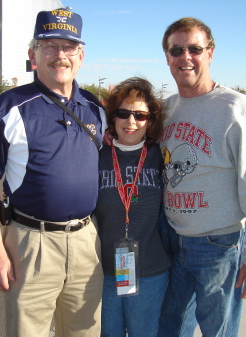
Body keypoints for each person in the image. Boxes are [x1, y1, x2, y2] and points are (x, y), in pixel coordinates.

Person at [0, 8, 106, 337]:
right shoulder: (8, 107)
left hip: (87, 241)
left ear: (81, 56)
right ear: (33, 55)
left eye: (69, 47)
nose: (60, 55)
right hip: (31, 245)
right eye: (50, 46)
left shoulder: (96, 107)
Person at [157, 17, 246, 337]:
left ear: (210, 53)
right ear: (167, 56)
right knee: (169, 327)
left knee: (218, 331)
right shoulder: (166, 110)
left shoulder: (235, 108)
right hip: (172, 242)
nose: (185, 57)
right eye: (176, 50)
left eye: (194, 49)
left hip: (217, 247)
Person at [94, 77, 170, 337]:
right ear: (112, 118)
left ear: (150, 121)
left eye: (140, 115)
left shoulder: (161, 155)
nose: (131, 121)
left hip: (150, 271)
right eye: (123, 113)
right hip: (104, 271)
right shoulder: (96, 155)